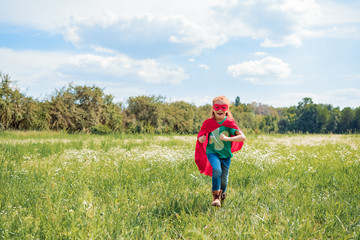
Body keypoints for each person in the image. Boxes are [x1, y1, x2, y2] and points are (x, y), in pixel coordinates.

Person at [195, 96, 246, 207]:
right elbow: (200, 136)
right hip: (212, 152)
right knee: (217, 170)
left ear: (227, 109)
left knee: (224, 180)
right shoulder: (208, 123)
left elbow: (243, 137)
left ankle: (222, 197)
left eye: (223, 107)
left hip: (226, 154)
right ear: (213, 109)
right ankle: (216, 197)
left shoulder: (229, 123)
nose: (220, 110)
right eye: (217, 107)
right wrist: (201, 139)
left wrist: (228, 139)